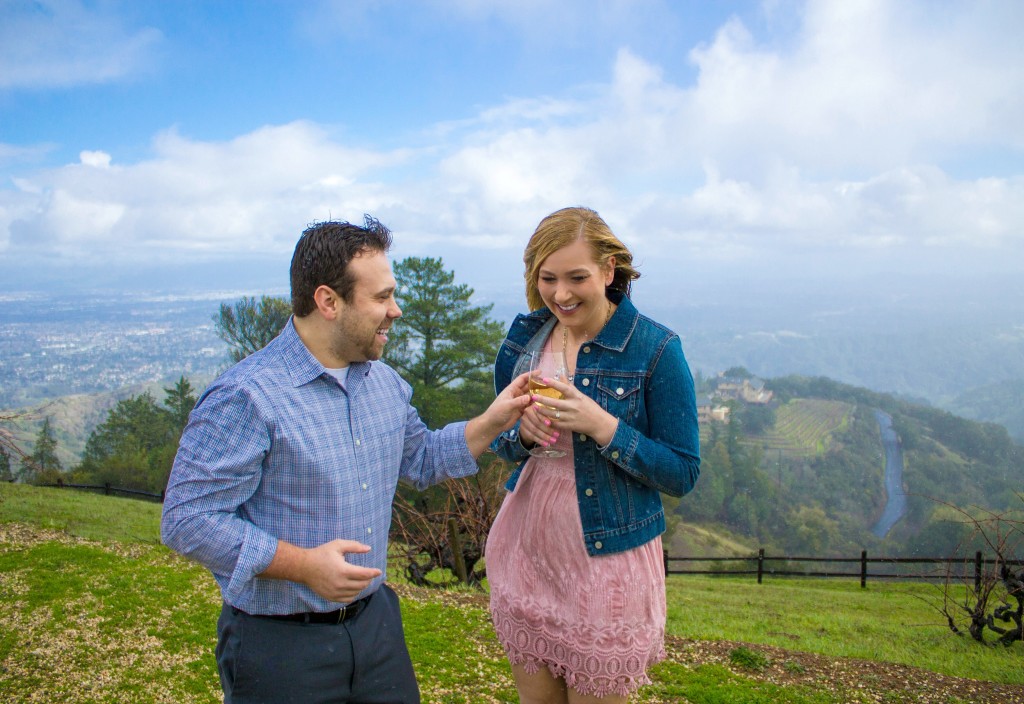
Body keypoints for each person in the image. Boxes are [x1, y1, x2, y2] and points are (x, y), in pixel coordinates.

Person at [161, 216, 532, 704]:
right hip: (277, 644)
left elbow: (420, 458)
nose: (395, 310)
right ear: (328, 302)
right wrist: (302, 566)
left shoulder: (385, 384)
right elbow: (186, 520)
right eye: (381, 298)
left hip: (376, 626)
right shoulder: (246, 396)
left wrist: (494, 420)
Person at [487, 206, 701, 703]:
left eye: (577, 277)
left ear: (609, 271)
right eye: (548, 278)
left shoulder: (656, 348)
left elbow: (683, 471)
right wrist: (522, 434)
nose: (561, 294)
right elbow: (500, 438)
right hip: (528, 549)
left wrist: (603, 427)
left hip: (607, 563)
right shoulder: (524, 341)